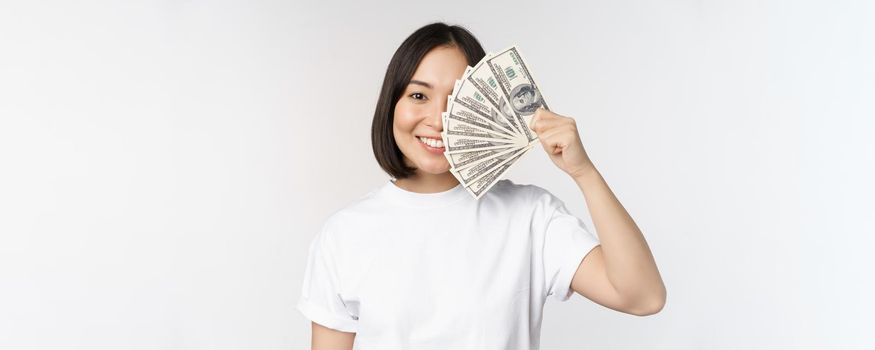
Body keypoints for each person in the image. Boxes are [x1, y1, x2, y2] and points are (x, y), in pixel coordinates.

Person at [297, 22, 666, 350]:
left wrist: (584, 172)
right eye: (418, 95)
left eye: (457, 101)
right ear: (391, 104)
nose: (438, 120)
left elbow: (643, 296)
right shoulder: (344, 234)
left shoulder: (530, 217)